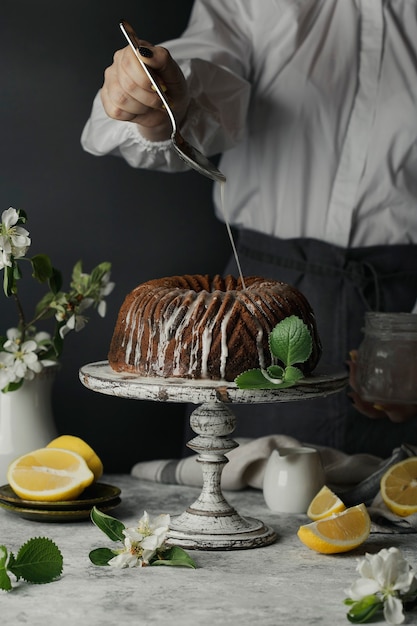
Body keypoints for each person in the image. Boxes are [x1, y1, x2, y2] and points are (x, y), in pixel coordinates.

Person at [81, 0, 417, 458]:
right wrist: (163, 103)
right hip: (258, 310)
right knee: (241, 503)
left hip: (404, 304)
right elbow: (210, 76)